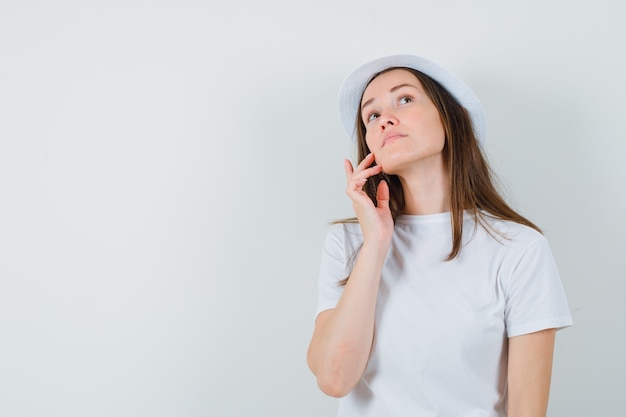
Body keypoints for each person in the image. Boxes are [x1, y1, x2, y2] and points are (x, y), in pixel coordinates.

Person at [306, 54, 573, 417]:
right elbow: (334, 380)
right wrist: (377, 243)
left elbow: (528, 410)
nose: (385, 118)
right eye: (371, 115)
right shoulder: (349, 243)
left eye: (405, 99)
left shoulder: (520, 249)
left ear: (453, 118)